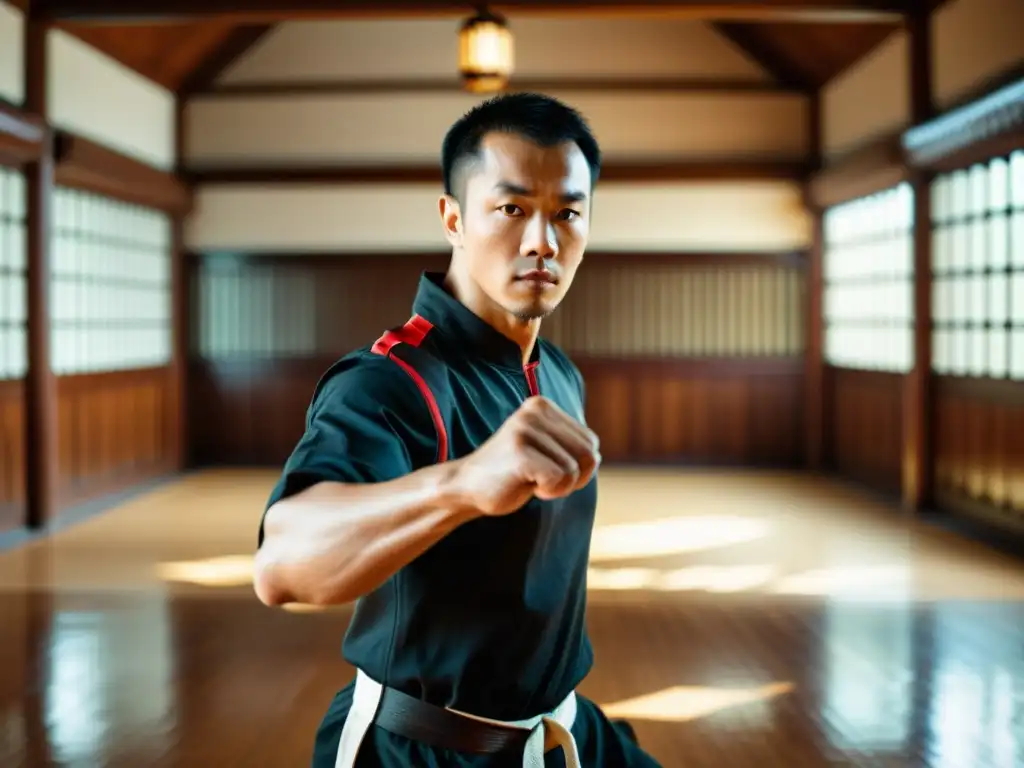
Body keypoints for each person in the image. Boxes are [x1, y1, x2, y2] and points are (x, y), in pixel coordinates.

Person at [253, 92, 663, 768]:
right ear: (454, 219)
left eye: (568, 213)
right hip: (420, 749)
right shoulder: (392, 380)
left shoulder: (557, 372)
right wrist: (463, 484)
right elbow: (281, 565)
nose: (543, 241)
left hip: (556, 732)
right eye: (511, 210)